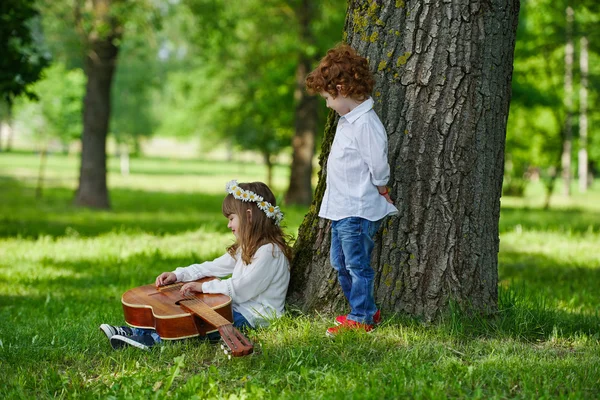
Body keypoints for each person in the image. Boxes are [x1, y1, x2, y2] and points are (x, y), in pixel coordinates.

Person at [100, 180, 292, 350]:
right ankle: (135, 331)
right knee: (188, 311)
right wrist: (179, 274)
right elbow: (213, 266)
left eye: (231, 218)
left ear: (249, 216)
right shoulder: (247, 247)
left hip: (254, 317)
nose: (228, 225)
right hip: (237, 308)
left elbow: (242, 290)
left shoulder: (270, 252)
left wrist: (203, 287)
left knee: (198, 324)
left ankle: (153, 341)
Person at [305, 43, 398, 337]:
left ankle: (363, 316)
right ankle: (364, 308)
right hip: (342, 208)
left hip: (357, 209)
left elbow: (377, 162)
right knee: (340, 262)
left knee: (357, 265)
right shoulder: (348, 121)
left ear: (342, 89)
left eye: (327, 98)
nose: (327, 104)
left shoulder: (365, 124)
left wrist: (382, 185)